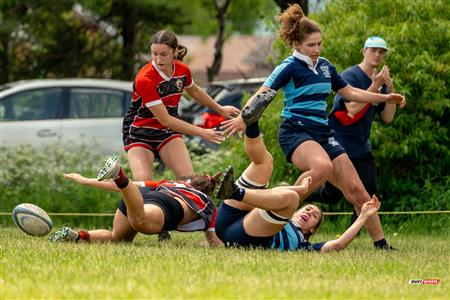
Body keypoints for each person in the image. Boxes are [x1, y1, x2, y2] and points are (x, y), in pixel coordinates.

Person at [221, 4, 405, 250]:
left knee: (358, 192)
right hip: (295, 131)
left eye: (320, 44)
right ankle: (274, 213)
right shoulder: (288, 67)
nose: (317, 49)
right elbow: (263, 93)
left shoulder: (326, 66)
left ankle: (382, 245)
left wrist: (385, 97)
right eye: (311, 45)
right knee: (321, 166)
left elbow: (349, 92)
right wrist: (242, 119)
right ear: (297, 44)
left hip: (323, 133)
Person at [123, 30, 239, 240]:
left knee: (190, 183)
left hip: (167, 132)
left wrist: (220, 109)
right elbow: (165, 118)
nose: (158, 59)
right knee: (142, 184)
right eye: (154, 54)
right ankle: (153, 227)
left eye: (163, 54)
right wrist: (202, 132)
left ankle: (212, 237)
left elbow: (195, 92)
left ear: (175, 51)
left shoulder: (182, 70)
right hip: (140, 132)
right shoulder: (145, 78)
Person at [215, 109, 381, 252]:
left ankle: (235, 192)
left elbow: (338, 244)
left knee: (292, 197)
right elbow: (276, 192)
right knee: (265, 163)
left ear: (311, 230)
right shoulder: (284, 212)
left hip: (242, 237)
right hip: (229, 218)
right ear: (295, 213)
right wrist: (300, 189)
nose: (308, 213)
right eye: (308, 209)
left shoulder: (302, 244)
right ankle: (252, 125)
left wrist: (364, 216)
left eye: (314, 215)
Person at [307, 36, 399, 223]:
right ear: (364, 51)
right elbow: (352, 109)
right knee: (331, 196)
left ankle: (354, 231)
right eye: (373, 50)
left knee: (369, 190)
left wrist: (389, 87)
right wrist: (375, 86)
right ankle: (294, 192)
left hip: (361, 145)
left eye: (381, 51)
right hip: (339, 143)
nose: (377, 54)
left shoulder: (381, 81)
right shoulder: (350, 76)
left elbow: (387, 118)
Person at [48, 156, 222, 246]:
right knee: (142, 223)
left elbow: (127, 187)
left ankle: (77, 236)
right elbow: (215, 242)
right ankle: (119, 175)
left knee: (117, 240)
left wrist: (85, 180)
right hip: (165, 205)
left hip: (141, 196)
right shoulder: (207, 202)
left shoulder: (167, 183)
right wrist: (206, 243)